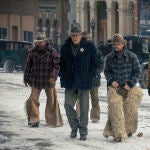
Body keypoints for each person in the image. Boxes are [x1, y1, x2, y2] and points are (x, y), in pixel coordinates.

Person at [59, 23, 98, 140]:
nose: (75, 37)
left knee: (85, 108)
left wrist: (90, 75)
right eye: (73, 35)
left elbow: (95, 63)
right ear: (70, 35)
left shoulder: (89, 46)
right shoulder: (65, 47)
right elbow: (61, 63)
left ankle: (83, 132)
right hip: (70, 82)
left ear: (81, 35)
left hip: (84, 81)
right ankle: (74, 127)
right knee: (67, 105)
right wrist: (62, 73)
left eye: (77, 35)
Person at [103, 33, 143, 142]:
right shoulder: (109, 58)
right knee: (114, 106)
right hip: (115, 88)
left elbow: (137, 72)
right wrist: (111, 81)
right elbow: (106, 72)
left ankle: (129, 129)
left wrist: (129, 84)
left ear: (123, 44)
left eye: (118, 44)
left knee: (131, 107)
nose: (116, 45)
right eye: (114, 44)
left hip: (130, 86)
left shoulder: (132, 56)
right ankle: (119, 133)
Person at [24, 32, 63, 128]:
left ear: (45, 41)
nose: (39, 43)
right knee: (33, 99)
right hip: (35, 79)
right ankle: (34, 119)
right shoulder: (32, 52)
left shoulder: (52, 51)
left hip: (49, 79)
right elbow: (28, 66)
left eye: (41, 41)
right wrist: (26, 78)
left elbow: (57, 65)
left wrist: (53, 76)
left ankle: (52, 120)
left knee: (51, 99)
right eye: (38, 42)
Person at [76, 32, 104, 123]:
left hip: (94, 80)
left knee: (95, 98)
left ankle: (95, 116)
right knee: (80, 98)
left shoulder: (97, 51)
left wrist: (95, 73)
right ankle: (79, 115)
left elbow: (101, 65)